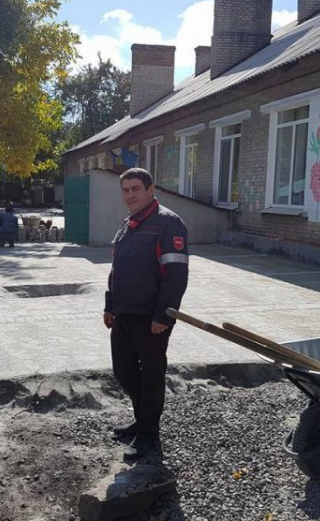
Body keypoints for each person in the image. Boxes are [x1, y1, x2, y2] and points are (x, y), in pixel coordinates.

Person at [103, 168, 189, 460]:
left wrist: (163, 316)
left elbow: (176, 275)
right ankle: (143, 421)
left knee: (151, 375)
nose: (130, 195)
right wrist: (109, 304)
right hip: (124, 311)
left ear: (151, 189)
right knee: (123, 371)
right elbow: (116, 270)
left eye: (136, 189)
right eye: (125, 190)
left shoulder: (168, 223)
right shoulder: (128, 224)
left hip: (151, 316)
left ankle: (148, 435)